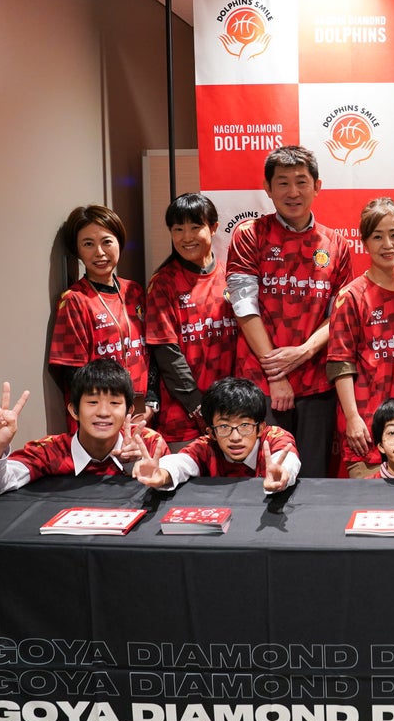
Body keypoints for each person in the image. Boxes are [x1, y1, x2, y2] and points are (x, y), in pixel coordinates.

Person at [225, 145, 353, 478]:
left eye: (301, 182)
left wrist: (305, 350)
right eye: (282, 182)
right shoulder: (249, 234)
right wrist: (277, 375)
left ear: (317, 186)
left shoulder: (336, 244)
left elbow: (338, 316)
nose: (292, 192)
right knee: (266, 476)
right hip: (261, 384)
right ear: (267, 188)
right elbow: (243, 306)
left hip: (316, 384)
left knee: (313, 479)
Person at [0, 359, 167, 495]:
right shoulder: (50, 451)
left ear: (129, 411)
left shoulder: (148, 443)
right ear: (74, 411)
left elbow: (169, 490)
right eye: (92, 402)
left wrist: (134, 465)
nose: (103, 412)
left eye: (114, 403)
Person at [327, 198, 394, 478]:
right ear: (365, 243)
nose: (388, 244)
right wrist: (352, 418)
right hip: (365, 431)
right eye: (377, 237)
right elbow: (340, 363)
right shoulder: (351, 296)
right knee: (370, 503)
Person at [145, 193, 237, 445]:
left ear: (214, 228)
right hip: (183, 417)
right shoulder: (163, 283)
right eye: (178, 229)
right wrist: (198, 406)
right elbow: (166, 352)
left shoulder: (231, 276)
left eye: (195, 227)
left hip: (231, 413)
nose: (186, 237)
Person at [49, 205, 151, 419]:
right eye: (88, 244)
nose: (100, 253)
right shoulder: (74, 300)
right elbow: (74, 374)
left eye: (106, 242)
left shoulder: (134, 291)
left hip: (140, 415)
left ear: (119, 242)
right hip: (100, 419)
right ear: (77, 250)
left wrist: (151, 403)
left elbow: (150, 353)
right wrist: (107, 412)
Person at [133, 377, 300, 492]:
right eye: (224, 427)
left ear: (261, 428)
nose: (235, 437)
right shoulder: (206, 446)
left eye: (244, 425)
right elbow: (181, 462)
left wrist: (283, 474)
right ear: (211, 432)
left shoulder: (275, 438)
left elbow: (288, 460)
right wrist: (162, 473)